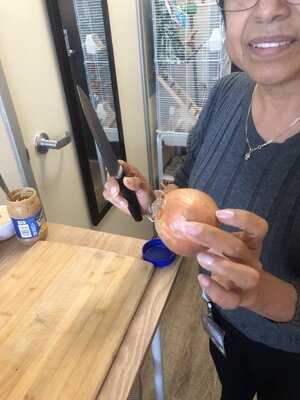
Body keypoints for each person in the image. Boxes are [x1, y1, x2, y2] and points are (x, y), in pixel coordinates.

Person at [103, 0, 300, 398]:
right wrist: (154, 202)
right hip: (222, 323)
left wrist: (261, 293)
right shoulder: (227, 92)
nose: (268, 11)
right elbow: (190, 183)